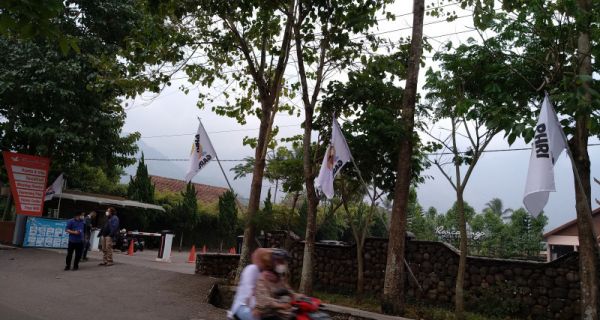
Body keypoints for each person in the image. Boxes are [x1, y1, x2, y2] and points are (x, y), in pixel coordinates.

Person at [228, 248, 271, 320]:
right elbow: (249, 291)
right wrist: (255, 307)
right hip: (242, 306)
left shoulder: (262, 272)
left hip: (253, 307)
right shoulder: (252, 269)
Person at [254, 249, 297, 320]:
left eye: (283, 262)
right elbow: (265, 301)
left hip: (283, 314)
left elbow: (290, 292)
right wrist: (281, 305)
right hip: (268, 314)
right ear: (272, 262)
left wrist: (303, 298)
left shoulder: (280, 278)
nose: (282, 264)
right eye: (279, 262)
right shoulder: (263, 278)